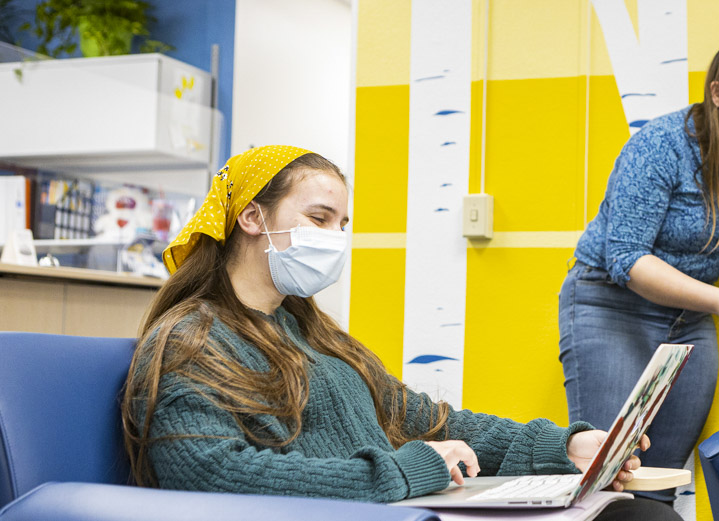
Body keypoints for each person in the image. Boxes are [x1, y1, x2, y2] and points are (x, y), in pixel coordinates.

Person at [122, 146, 679, 520]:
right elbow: (209, 474)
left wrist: (566, 446)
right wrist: (404, 471)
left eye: (342, 225)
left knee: (640, 512)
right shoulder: (189, 340)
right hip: (369, 511)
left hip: (392, 511)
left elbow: (427, 420)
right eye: (319, 219)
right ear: (250, 217)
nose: (335, 238)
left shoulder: (311, 333)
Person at [559, 34, 719, 505]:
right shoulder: (660, 146)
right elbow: (627, 260)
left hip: (688, 321)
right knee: (611, 475)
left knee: (661, 479)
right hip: (611, 307)